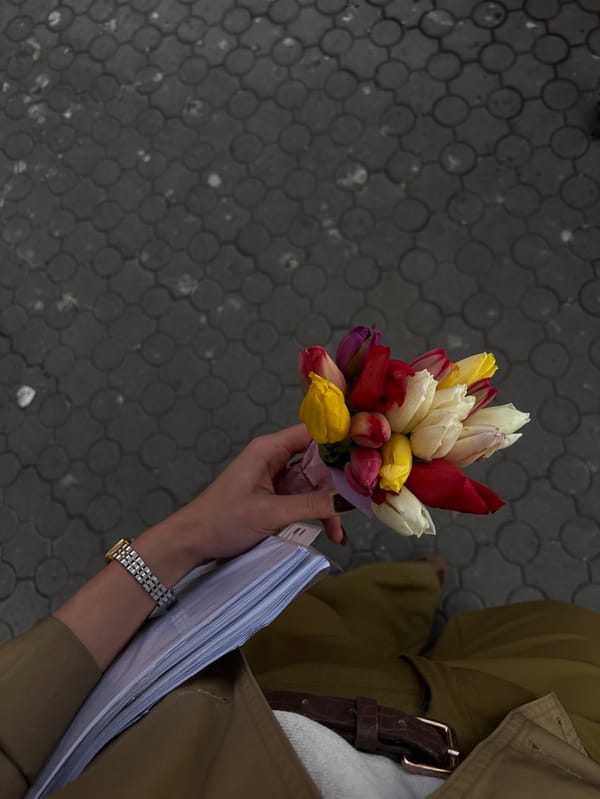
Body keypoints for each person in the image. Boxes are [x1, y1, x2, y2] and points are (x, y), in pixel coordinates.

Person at [1, 425, 600, 798]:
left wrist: (185, 540)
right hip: (535, 755)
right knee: (561, 639)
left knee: (340, 614)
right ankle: (417, 588)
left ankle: (412, 585)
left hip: (265, 692)